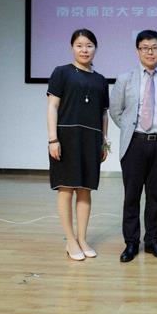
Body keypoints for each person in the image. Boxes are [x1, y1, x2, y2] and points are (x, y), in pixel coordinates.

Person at [109, 30, 157, 262]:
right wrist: (131, 129)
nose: (150, 52)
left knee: (155, 196)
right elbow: (115, 111)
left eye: (155, 47)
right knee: (132, 196)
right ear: (138, 50)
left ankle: (152, 241)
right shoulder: (125, 79)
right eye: (145, 48)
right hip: (134, 144)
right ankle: (131, 243)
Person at [47, 28, 109, 261]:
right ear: (72, 47)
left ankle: (82, 238)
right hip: (66, 138)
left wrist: (104, 142)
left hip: (91, 139)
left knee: (85, 190)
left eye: (89, 45)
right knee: (66, 189)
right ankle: (70, 240)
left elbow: (103, 113)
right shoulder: (61, 72)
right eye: (80, 45)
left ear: (96, 49)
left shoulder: (101, 80)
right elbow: (52, 107)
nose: (84, 50)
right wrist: (53, 139)